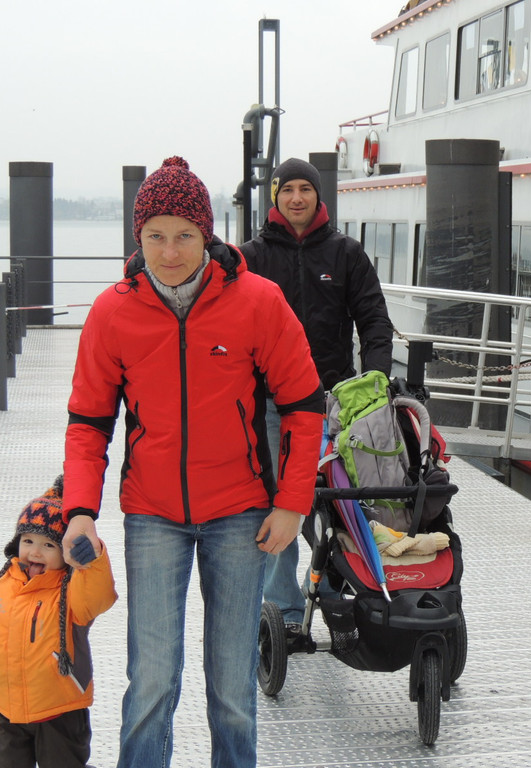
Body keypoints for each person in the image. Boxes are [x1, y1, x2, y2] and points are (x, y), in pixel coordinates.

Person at [60, 156, 325, 768]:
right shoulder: (113, 312)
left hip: (240, 512)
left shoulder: (258, 301)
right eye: (155, 236)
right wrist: (79, 511)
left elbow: (304, 406)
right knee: (151, 681)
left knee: (232, 688)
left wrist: (292, 504)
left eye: (184, 235)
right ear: (138, 237)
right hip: (152, 513)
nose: (170, 251)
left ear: (207, 233)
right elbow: (88, 423)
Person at [239, 157, 393, 647]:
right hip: (270, 404)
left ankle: (331, 588)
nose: (297, 198)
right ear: (275, 197)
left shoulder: (346, 253)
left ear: (318, 195)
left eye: (305, 189)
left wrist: (377, 380)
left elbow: (373, 318)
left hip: (332, 404)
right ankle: (284, 608)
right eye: (288, 190)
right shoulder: (252, 257)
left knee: (335, 503)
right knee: (278, 501)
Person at [0, 477, 117, 768]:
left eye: (48, 545)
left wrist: (91, 562)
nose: (35, 552)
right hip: (4, 709)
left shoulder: (71, 592)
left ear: (65, 553)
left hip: (60, 710)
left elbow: (99, 595)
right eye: (28, 541)